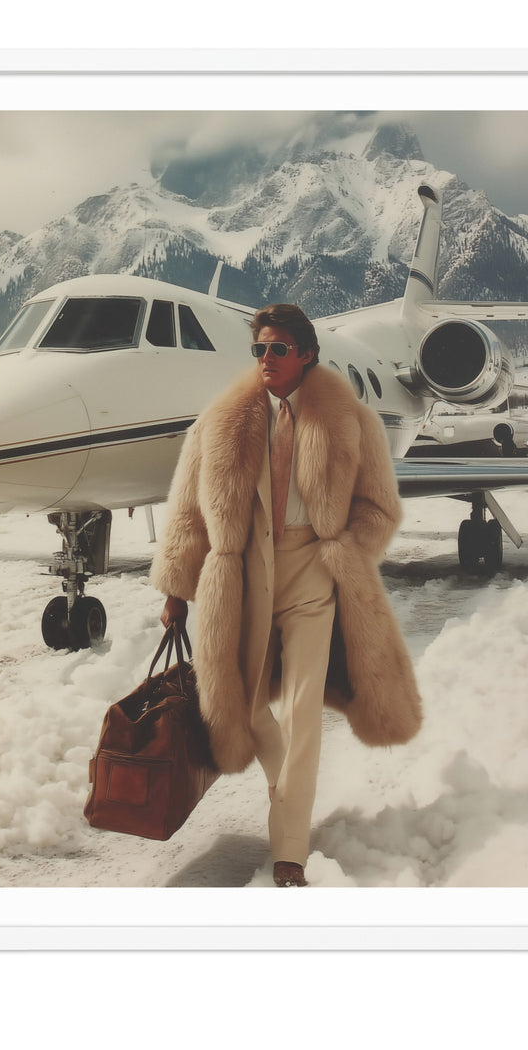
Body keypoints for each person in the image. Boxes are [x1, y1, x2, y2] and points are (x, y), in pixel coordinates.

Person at [152, 303, 422, 887]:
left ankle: (290, 852)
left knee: (301, 710)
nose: (266, 359)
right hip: (243, 572)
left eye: (278, 348)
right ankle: (286, 792)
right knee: (245, 705)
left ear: (306, 354)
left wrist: (344, 555)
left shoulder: (354, 422)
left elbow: (379, 509)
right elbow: (188, 512)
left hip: (312, 571)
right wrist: (177, 590)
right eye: (259, 349)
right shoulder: (219, 422)